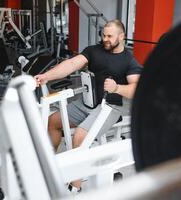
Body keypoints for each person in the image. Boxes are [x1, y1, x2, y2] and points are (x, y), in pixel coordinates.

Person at [34, 19, 142, 192]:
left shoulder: (129, 61)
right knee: (52, 122)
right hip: (88, 102)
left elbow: (137, 89)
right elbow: (70, 64)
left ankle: (75, 188)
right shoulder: (93, 51)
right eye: (103, 35)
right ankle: (49, 168)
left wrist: (117, 88)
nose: (105, 39)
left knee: (79, 137)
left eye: (110, 36)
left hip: (111, 106)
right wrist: (47, 76)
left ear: (122, 37)